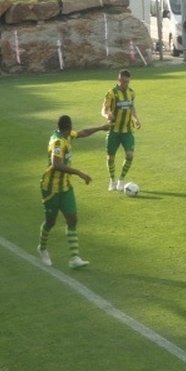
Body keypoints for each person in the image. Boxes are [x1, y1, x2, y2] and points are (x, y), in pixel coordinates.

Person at [37, 115, 110, 269]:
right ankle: (42, 249)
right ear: (68, 128)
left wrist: (100, 128)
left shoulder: (66, 134)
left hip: (65, 187)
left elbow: (82, 133)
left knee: (72, 219)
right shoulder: (57, 142)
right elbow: (56, 164)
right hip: (51, 188)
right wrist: (78, 172)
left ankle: (74, 258)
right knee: (50, 222)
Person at [101, 69, 142, 191]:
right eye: (124, 82)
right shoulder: (111, 93)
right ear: (119, 80)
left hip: (127, 131)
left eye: (128, 82)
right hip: (114, 130)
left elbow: (131, 106)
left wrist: (136, 119)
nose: (126, 84)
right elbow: (104, 109)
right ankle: (112, 180)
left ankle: (121, 180)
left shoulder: (131, 93)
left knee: (130, 155)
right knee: (111, 157)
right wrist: (107, 115)